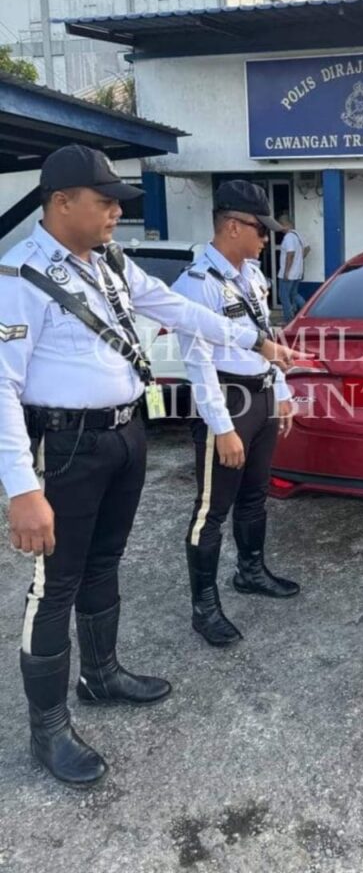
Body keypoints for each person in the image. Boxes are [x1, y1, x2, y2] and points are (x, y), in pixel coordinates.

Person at [0, 145, 304, 786]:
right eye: (105, 201)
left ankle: (101, 675)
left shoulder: (111, 263)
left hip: (126, 434)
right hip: (67, 447)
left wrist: (254, 339)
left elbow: (176, 310)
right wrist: (22, 488)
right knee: (54, 585)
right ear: (61, 202)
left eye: (118, 203)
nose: (117, 212)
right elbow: (2, 386)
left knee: (105, 562)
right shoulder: (19, 276)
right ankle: (47, 729)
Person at [173, 181, 300, 649]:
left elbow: (266, 334)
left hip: (261, 396)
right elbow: (198, 363)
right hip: (225, 403)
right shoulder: (196, 284)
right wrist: (221, 427)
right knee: (211, 511)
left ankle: (251, 571)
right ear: (232, 226)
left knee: (255, 495)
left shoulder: (252, 275)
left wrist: (280, 390)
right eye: (259, 229)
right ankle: (204, 607)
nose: (266, 238)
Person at [277, 212, 310, 322]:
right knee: (294, 294)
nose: (279, 228)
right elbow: (307, 248)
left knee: (284, 296)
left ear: (284, 224)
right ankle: (306, 311)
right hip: (298, 272)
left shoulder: (288, 237)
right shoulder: (298, 235)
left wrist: (286, 272)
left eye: (280, 225)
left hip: (289, 273)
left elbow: (290, 253)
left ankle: (288, 319)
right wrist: (299, 259)